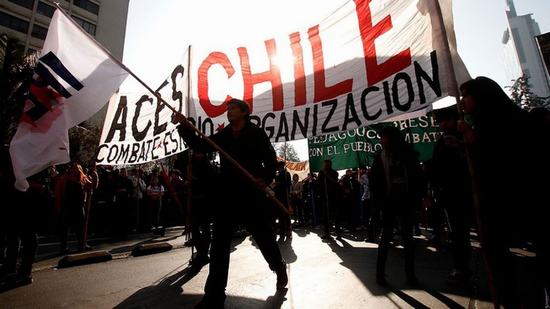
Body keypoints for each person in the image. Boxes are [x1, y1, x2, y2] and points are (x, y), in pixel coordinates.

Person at [174, 98, 287, 308]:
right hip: (227, 195)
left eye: (233, 108)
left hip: (251, 194)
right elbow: (202, 145)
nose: (229, 112)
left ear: (245, 112)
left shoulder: (256, 133)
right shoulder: (225, 135)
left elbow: (271, 160)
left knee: (264, 237)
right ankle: (214, 295)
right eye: (227, 109)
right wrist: (184, 126)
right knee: (219, 246)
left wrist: (264, 176)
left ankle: (278, 267)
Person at [458, 77, 543, 306]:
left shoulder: (508, 121)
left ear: (481, 96)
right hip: (496, 208)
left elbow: (503, 162)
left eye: (466, 96)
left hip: (519, 205)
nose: (462, 102)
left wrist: (473, 141)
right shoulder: (480, 123)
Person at [371, 126, 423, 286]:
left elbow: (417, 177)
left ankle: (410, 275)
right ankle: (380, 275)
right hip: (388, 204)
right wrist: (379, 204)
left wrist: (418, 199)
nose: (381, 140)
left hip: (406, 203)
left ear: (392, 138)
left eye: (384, 137)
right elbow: (375, 183)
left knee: (408, 239)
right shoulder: (379, 158)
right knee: (385, 238)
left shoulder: (408, 155)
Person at [431, 106, 473, 284]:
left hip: (471, 193)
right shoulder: (441, 143)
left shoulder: (467, 135)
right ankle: (461, 269)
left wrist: (463, 149)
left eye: (446, 120)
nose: (443, 124)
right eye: (440, 121)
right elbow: (436, 169)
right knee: (459, 235)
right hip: (452, 197)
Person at [317, 160, 341, 240]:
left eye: (328, 163)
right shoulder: (321, 173)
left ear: (330, 164)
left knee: (336, 215)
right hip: (324, 197)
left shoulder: (334, 173)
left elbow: (335, 181)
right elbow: (318, 183)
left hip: (333, 197)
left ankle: (338, 233)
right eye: (325, 164)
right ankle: (327, 233)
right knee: (325, 216)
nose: (326, 165)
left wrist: (327, 175)